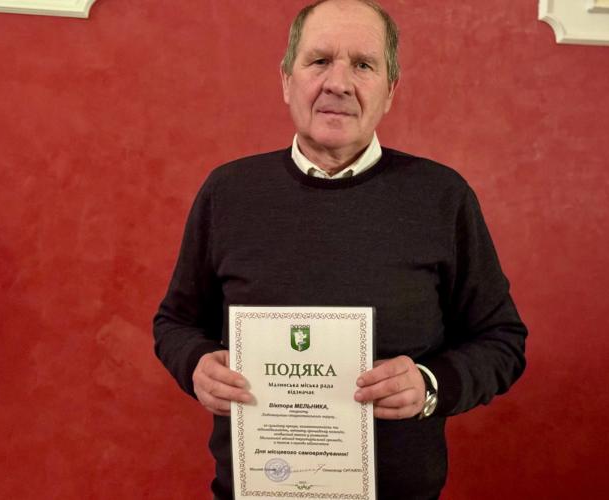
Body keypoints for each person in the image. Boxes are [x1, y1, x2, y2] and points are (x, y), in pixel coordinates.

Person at [153, 1, 527, 498]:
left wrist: (432, 385)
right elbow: (174, 323)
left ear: (390, 91)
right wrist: (196, 364)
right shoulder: (229, 192)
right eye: (320, 60)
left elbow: (502, 340)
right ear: (287, 80)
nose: (339, 83)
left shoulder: (442, 197)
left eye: (364, 65)